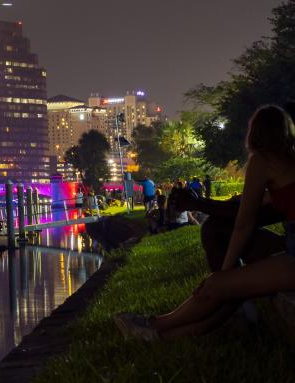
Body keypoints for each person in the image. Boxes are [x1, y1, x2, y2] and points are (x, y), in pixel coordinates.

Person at [115, 105, 295, 340]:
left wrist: (224, 272)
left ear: (256, 133)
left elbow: (244, 223)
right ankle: (158, 335)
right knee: (231, 289)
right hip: (290, 245)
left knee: (217, 286)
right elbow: (251, 207)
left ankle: (155, 325)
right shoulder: (288, 163)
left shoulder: (263, 161)